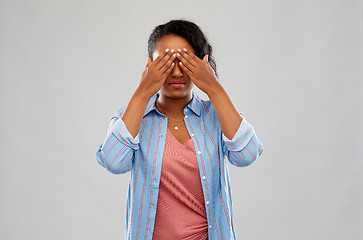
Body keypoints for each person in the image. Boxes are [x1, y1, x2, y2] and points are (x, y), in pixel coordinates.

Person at [96, 19, 264, 240]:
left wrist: (214, 87)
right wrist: (142, 92)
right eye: (166, 62)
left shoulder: (215, 116)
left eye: (185, 61)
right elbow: (113, 162)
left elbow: (248, 155)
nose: (176, 72)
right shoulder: (132, 117)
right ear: (150, 66)